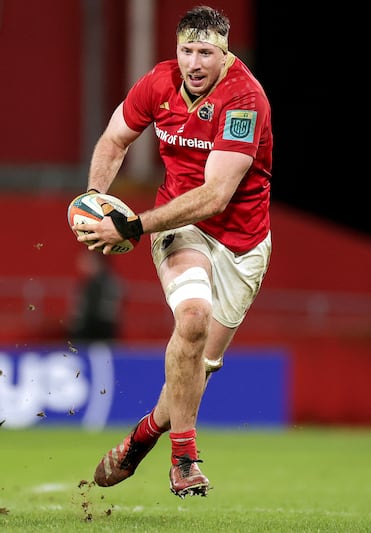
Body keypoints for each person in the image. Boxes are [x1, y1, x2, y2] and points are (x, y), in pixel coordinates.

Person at [71, 5, 272, 498]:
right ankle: (184, 458)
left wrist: (133, 224)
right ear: (176, 50)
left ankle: (143, 437)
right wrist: (96, 197)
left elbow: (215, 196)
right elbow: (115, 138)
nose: (194, 62)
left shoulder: (244, 100)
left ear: (225, 55)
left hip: (243, 245)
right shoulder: (157, 84)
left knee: (196, 368)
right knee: (194, 318)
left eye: (206, 52)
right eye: (187, 50)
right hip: (181, 229)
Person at [67, 251, 122, 342]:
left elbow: (107, 311)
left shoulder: (106, 282)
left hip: (99, 328)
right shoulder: (88, 282)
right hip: (91, 326)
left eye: (89, 260)